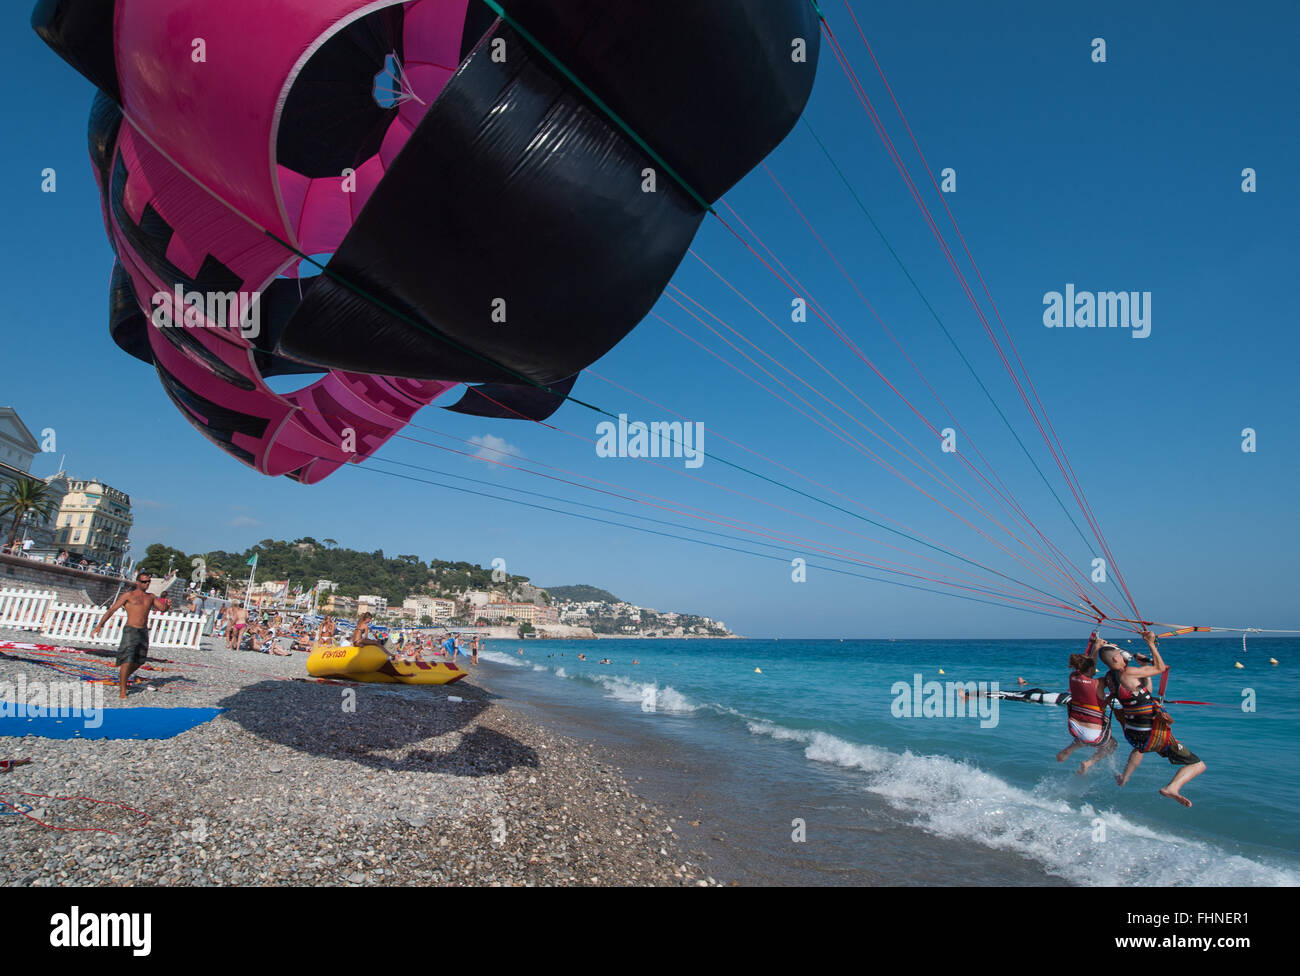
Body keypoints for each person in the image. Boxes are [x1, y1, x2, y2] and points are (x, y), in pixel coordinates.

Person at [1099, 632, 1207, 807]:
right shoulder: (1128, 673)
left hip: (1134, 733)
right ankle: (1172, 788)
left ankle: (1123, 778)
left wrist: (1144, 670)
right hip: (1151, 732)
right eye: (1120, 654)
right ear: (1114, 659)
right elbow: (1161, 668)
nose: (1124, 655)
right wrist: (1151, 644)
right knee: (1198, 764)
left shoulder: (1109, 677)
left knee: (1140, 749)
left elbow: (1145, 690)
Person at [90, 571, 170, 699]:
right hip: (130, 630)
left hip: (143, 631)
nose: (147, 584)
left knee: (140, 660)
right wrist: (99, 625)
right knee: (127, 660)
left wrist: (167, 606)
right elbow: (112, 610)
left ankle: (124, 677)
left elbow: (162, 609)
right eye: (144, 582)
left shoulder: (151, 596)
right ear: (138, 582)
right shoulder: (129, 595)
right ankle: (123, 690)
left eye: (148, 581)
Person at [1055, 636, 1117, 774]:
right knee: (1112, 744)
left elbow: (1089, 666)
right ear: (1091, 669)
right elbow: (1115, 673)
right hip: (1093, 734)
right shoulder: (1099, 683)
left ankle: (1069, 750)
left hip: (1075, 728)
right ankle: (1089, 763)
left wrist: (1096, 647)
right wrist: (1112, 655)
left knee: (1085, 736)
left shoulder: (1073, 677)